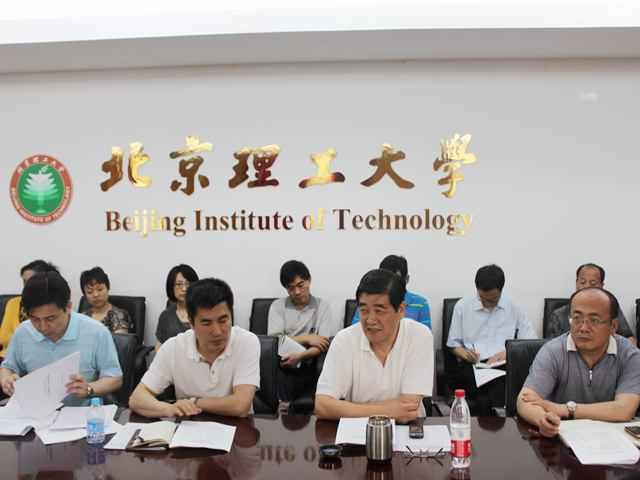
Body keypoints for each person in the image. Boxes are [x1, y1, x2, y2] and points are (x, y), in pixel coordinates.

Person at [129, 278, 260, 418]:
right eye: (206, 324)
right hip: (189, 426)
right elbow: (137, 399)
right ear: (191, 323)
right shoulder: (174, 347)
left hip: (238, 427)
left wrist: (193, 403)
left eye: (223, 321)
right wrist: (168, 409)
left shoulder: (246, 342)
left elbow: (240, 406)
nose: (217, 331)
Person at [518, 287, 640, 437]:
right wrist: (542, 419)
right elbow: (525, 400)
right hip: (562, 436)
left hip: (613, 438)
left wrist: (566, 409)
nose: (583, 328)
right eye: (576, 318)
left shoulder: (629, 355)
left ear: (613, 326)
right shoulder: (553, 351)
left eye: (594, 320)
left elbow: (624, 410)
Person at [315, 269, 433, 423]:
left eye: (379, 311)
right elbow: (322, 406)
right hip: (357, 430)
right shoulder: (344, 340)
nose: (370, 320)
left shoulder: (419, 336)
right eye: (364, 310)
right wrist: (388, 411)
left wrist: (346, 408)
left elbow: (408, 407)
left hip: (407, 430)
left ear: (401, 310)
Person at [0, 272, 122, 406]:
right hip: (35, 411)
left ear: (68, 307)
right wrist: (7, 380)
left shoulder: (96, 332)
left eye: (50, 318)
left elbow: (114, 378)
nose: (43, 327)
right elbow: (8, 367)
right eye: (35, 319)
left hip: (80, 414)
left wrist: (88, 389)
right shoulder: (23, 332)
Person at [447, 264, 537, 416]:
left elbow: (530, 343)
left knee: (494, 389)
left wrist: (508, 352)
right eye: (483, 299)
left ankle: (483, 402)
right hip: (473, 366)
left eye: (493, 299)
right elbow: (453, 345)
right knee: (497, 385)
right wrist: (466, 354)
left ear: (501, 290)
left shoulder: (515, 306)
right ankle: (499, 419)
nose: (488, 302)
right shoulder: (462, 306)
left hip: (502, 366)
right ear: (477, 288)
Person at [268, 260, 331, 403]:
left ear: (309, 280)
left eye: (300, 285)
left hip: (305, 366)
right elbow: (274, 340)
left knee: (280, 383)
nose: (297, 292)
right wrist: (307, 338)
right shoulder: (277, 306)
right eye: (291, 288)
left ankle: (283, 414)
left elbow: (322, 344)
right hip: (279, 364)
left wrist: (300, 356)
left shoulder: (323, 306)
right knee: (274, 378)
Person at [546, 263, 636, 346]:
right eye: (582, 282)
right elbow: (551, 347)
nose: (587, 287)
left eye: (593, 284)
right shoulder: (559, 314)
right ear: (576, 283)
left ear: (601, 286)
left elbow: (629, 339)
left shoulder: (610, 309)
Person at [351, 255, 431, 329]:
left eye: (396, 281)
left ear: (407, 279)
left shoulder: (421, 304)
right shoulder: (368, 302)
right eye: (384, 280)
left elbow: (424, 336)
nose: (390, 284)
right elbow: (355, 332)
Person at [0, 260, 59, 356]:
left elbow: (52, 337)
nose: (26, 285)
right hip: (9, 355)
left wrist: (21, 339)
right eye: (24, 281)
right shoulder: (14, 303)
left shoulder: (53, 305)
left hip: (39, 356)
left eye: (31, 281)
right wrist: (33, 341)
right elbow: (4, 337)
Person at [155, 264, 199, 353]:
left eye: (188, 284)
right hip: (171, 360)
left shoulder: (203, 313)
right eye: (179, 284)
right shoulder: (166, 315)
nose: (184, 289)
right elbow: (158, 348)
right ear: (171, 287)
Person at [80, 267, 132, 334]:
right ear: (85, 295)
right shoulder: (82, 318)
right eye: (90, 292)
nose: (95, 295)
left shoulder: (119, 316)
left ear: (108, 288)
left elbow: (119, 340)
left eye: (99, 289)